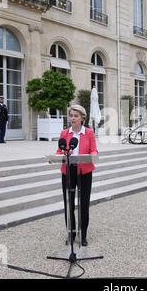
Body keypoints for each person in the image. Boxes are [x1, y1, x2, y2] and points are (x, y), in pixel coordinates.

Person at [56, 104, 98, 247]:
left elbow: (94, 150)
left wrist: (91, 155)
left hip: (84, 171)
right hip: (68, 171)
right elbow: (58, 151)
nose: (72, 118)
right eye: (71, 115)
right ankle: (71, 233)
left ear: (82, 118)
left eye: (76, 116)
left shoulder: (89, 133)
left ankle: (83, 234)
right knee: (68, 203)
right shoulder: (64, 133)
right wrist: (58, 155)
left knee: (84, 203)